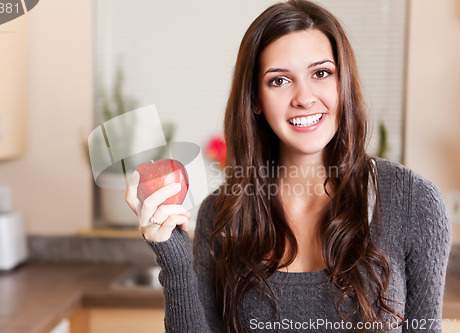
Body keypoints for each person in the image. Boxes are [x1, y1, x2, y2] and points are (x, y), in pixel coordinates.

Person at [125, 0, 452, 332]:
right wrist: (174, 257)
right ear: (254, 98)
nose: (304, 97)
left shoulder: (413, 202)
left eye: (321, 73)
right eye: (279, 81)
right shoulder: (222, 215)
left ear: (343, 85)